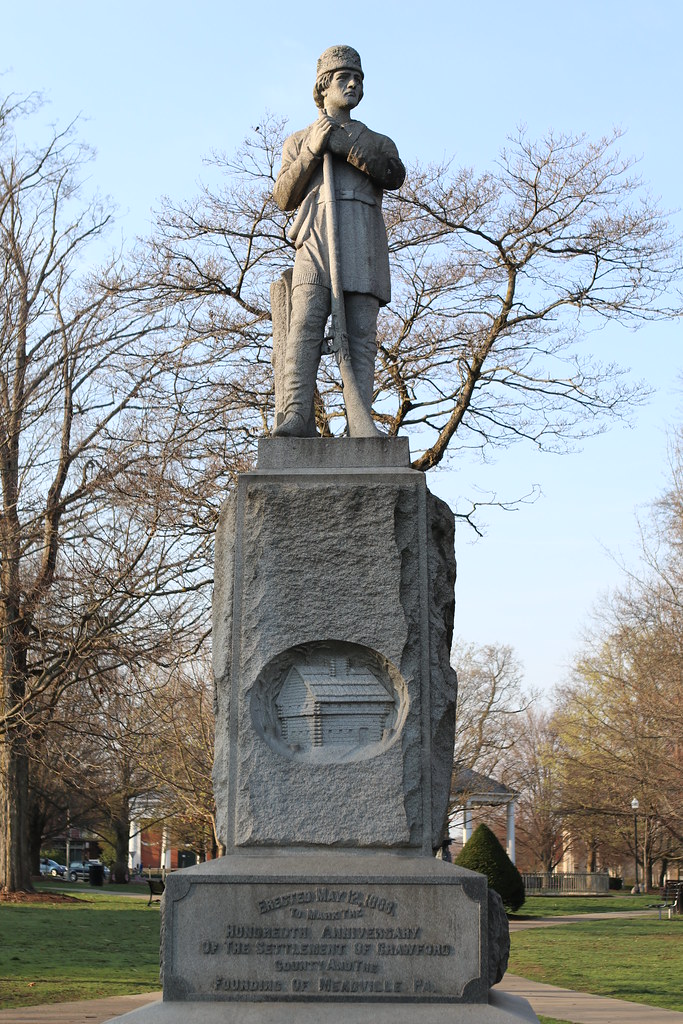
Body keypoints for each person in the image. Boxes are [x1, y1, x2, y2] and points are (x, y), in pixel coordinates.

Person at [272, 45, 405, 437]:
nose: (353, 84)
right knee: (305, 322)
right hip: (316, 235)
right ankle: (296, 415)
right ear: (323, 86)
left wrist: (345, 147)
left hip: (362, 235)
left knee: (362, 333)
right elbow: (283, 197)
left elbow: (393, 173)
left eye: (358, 79)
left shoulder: (376, 140)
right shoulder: (299, 140)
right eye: (344, 78)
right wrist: (314, 149)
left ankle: (360, 419)